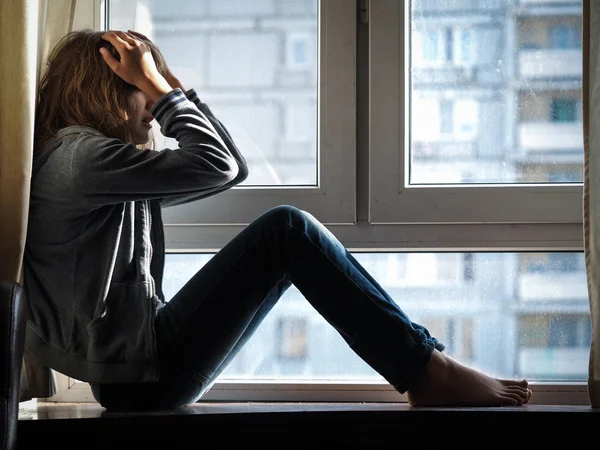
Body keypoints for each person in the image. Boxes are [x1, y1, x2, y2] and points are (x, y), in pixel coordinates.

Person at [24, 29, 532, 411]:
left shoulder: (94, 164)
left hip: (135, 372)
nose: (154, 111)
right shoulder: (80, 161)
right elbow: (216, 164)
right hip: (139, 380)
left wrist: (175, 92)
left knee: (286, 231)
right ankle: (425, 371)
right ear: (110, 88)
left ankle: (425, 369)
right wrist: (164, 92)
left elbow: (228, 170)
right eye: (142, 90)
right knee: (287, 229)